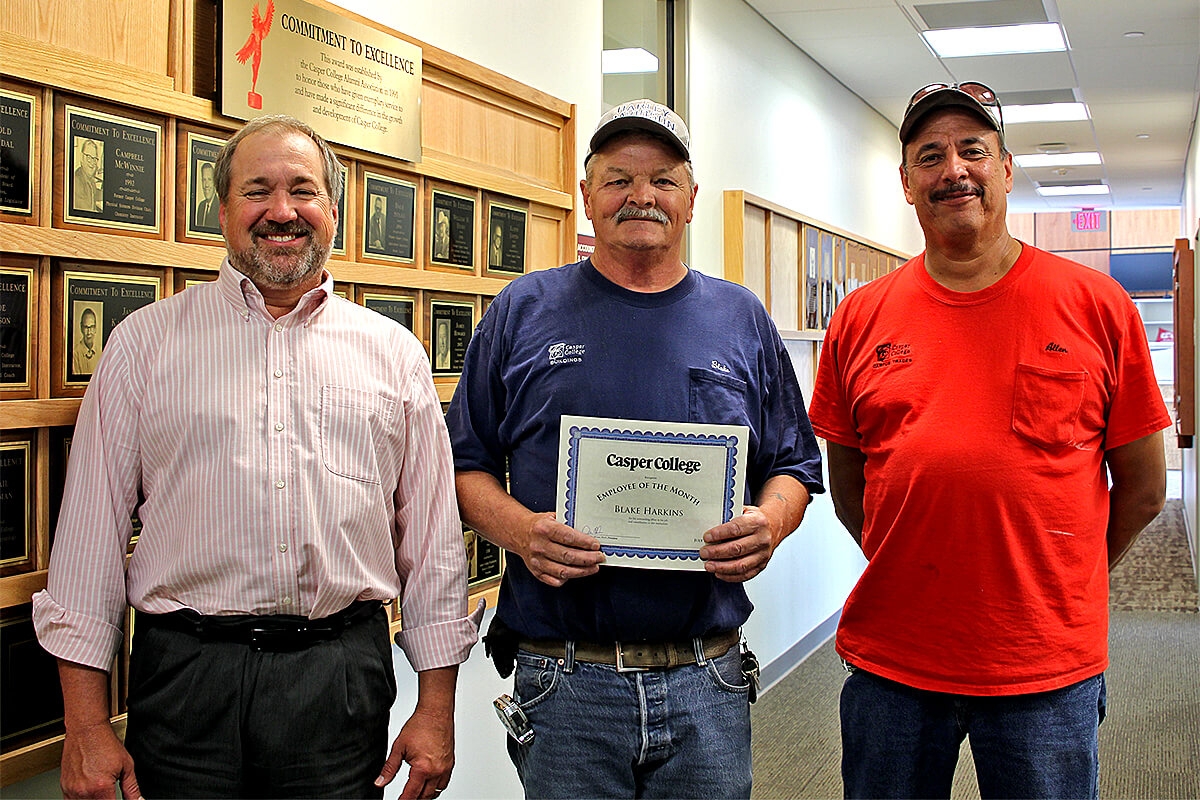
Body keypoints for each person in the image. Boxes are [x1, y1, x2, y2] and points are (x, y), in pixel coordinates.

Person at [34, 114, 482, 800]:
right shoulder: (143, 347)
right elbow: (88, 544)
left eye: (303, 190)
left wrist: (437, 708)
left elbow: (433, 545)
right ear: (222, 211)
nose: (282, 211)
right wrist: (86, 728)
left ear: (332, 211)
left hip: (338, 680)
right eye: (257, 191)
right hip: (184, 682)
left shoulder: (393, 355)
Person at [446, 98, 825, 799]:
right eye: (618, 178)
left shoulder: (740, 317)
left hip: (706, 676)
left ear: (691, 199)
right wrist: (522, 533)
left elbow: (794, 465)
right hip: (564, 680)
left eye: (663, 179)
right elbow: (464, 464)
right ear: (587, 196)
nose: (640, 196)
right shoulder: (523, 310)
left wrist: (770, 522)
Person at [807, 81, 1171, 800]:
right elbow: (851, 487)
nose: (953, 171)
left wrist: (1064, 575)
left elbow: (1146, 488)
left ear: (1006, 168)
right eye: (930, 156)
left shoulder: (1097, 305)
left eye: (972, 150)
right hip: (894, 661)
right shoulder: (860, 317)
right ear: (908, 183)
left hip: (1044, 664)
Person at [73, 138, 102, 213]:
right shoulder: (77, 181)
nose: (92, 162)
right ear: (82, 158)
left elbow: (95, 193)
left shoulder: (89, 178)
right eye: (89, 157)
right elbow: (87, 212)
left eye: (94, 159)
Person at [70, 306, 100, 376]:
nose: (89, 332)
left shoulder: (101, 353)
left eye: (91, 327)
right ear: (81, 328)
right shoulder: (75, 354)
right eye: (86, 327)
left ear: (95, 328)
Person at [195, 161, 218, 230]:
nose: (206, 185)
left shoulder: (220, 208)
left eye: (209, 180)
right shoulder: (200, 207)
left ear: (214, 182)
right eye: (204, 180)